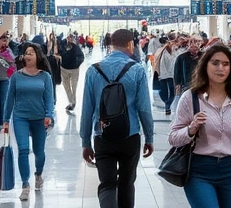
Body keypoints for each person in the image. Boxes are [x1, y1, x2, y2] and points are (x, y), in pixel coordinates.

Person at [169, 44, 231, 207]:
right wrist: (191, 129)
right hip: (199, 170)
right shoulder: (190, 98)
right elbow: (173, 138)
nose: (221, 68)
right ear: (205, 65)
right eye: (215, 63)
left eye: (226, 64)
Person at [80, 29, 154, 208]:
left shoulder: (93, 71)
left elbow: (87, 110)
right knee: (127, 183)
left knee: (107, 183)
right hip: (130, 135)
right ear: (130, 44)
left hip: (102, 135)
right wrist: (149, 137)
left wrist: (85, 142)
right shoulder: (136, 70)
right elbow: (144, 108)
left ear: (111, 44)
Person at [4, 43, 56, 201]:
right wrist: (5, 120)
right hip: (20, 117)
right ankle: (25, 184)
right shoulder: (16, 76)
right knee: (23, 150)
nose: (28, 55)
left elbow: (49, 99)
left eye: (31, 53)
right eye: (26, 53)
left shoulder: (45, 76)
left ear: (38, 56)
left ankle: (38, 173)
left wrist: (49, 115)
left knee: (39, 152)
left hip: (40, 118)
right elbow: (9, 99)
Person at [173, 35, 203, 111]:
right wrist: (177, 86)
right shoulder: (181, 57)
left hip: (202, 86)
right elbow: (177, 73)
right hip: (186, 86)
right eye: (191, 42)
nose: (194, 45)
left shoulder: (204, 56)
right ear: (188, 44)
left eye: (196, 42)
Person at [59, 36, 85, 111]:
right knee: (66, 86)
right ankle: (72, 101)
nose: (70, 40)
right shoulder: (62, 46)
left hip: (74, 70)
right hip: (64, 69)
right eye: (68, 38)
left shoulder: (76, 48)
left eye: (71, 39)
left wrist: (77, 64)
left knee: (74, 86)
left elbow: (81, 57)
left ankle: (73, 102)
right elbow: (59, 53)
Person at [154, 37, 177, 115]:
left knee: (166, 91)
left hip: (164, 75)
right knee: (171, 91)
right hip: (168, 75)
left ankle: (167, 105)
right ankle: (168, 105)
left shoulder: (161, 51)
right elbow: (172, 64)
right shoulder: (169, 53)